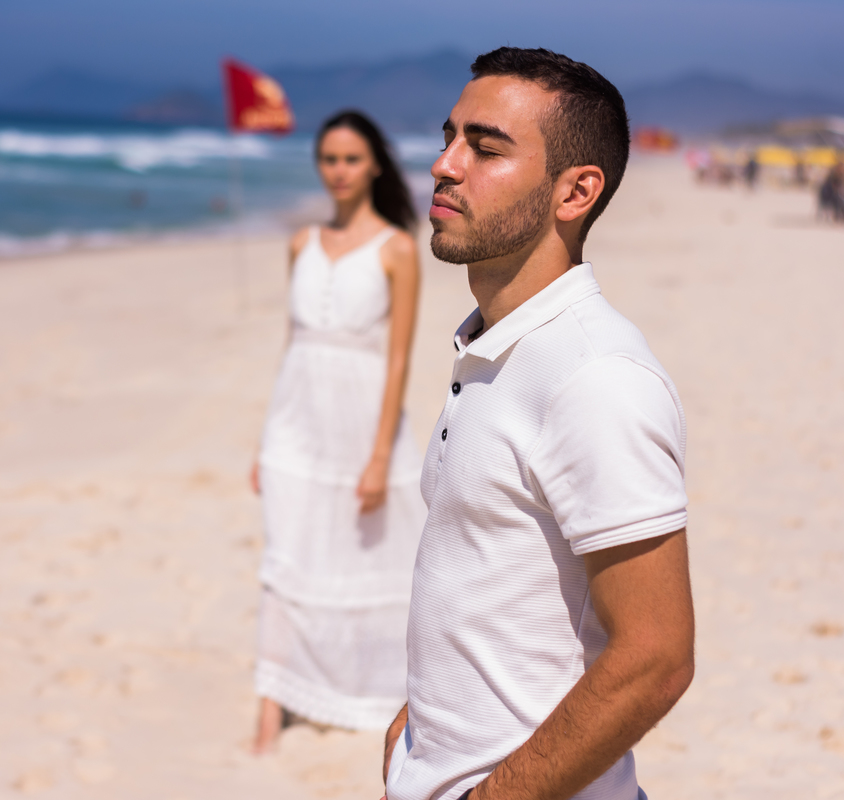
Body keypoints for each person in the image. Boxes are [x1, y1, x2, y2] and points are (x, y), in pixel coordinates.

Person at [382, 48, 694, 800]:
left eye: (486, 148)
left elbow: (656, 656)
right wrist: (413, 731)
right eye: (449, 138)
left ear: (575, 191)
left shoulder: (595, 375)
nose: (444, 165)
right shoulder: (496, 347)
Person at [251, 110, 425, 753]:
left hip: (360, 429)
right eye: (329, 159)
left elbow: (399, 360)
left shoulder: (398, 249)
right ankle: (270, 704)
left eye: (352, 159)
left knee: (366, 560)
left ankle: (370, 692)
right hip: (294, 429)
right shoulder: (300, 242)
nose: (340, 171)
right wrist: (265, 440)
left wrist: (379, 456)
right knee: (286, 555)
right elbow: (292, 344)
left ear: (375, 164)